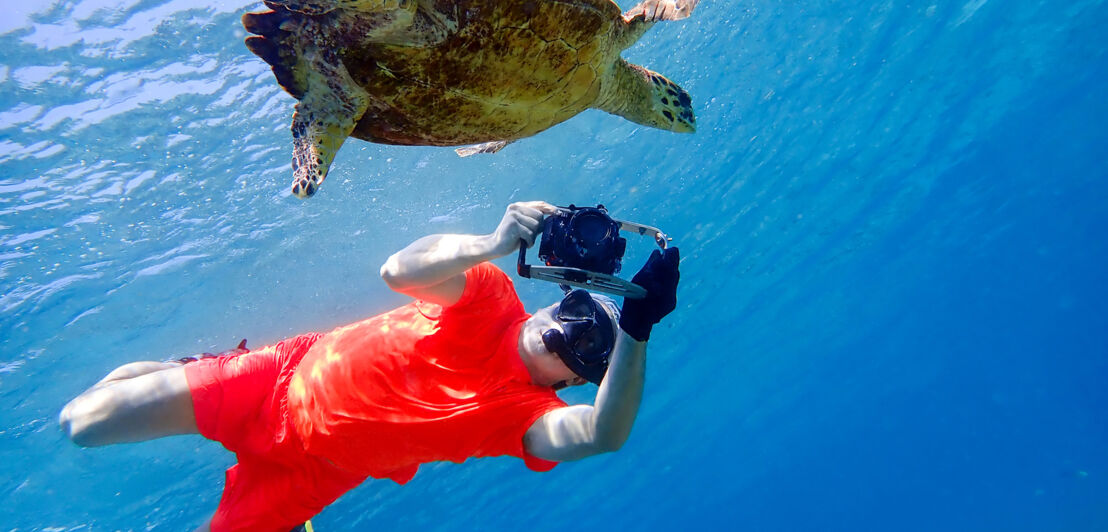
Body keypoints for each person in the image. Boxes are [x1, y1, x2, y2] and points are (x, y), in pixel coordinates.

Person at [59, 201, 680, 531]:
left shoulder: (524, 416)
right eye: (575, 308)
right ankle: (194, 367)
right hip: (275, 381)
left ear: (575, 380)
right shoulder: (490, 297)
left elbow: (603, 434)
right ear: (554, 293)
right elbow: (397, 271)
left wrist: (638, 329)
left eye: (590, 343)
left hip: (312, 476)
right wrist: (493, 241)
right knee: (81, 422)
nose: (566, 329)